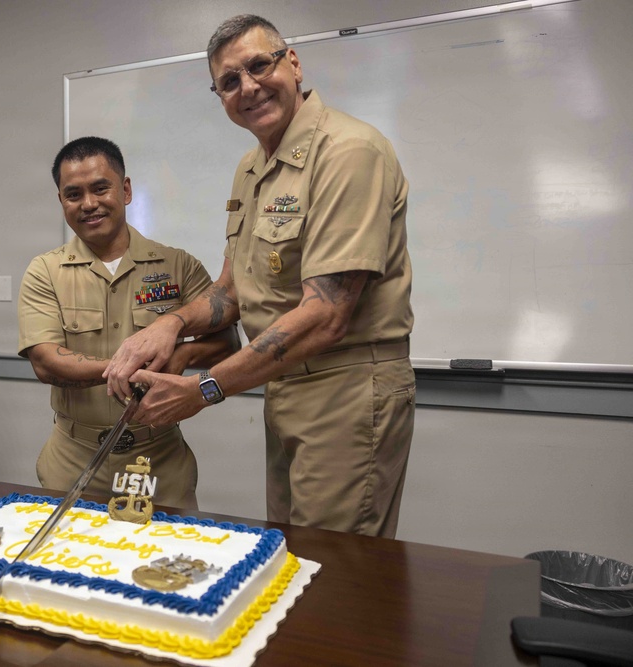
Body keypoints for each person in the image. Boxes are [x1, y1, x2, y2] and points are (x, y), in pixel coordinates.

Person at [105, 15, 415, 538]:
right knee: (289, 554)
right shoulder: (252, 167)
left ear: (292, 64)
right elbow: (232, 291)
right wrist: (168, 325)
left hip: (345, 388)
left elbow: (326, 315)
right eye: (229, 81)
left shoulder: (347, 150)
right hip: (283, 384)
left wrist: (201, 389)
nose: (247, 88)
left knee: (335, 566)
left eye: (258, 66)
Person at [18, 136, 239, 508]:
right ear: (61, 201)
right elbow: (44, 361)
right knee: (69, 546)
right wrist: (128, 369)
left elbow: (227, 343)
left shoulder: (178, 265)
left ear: (125, 190)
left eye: (100, 188)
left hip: (159, 459)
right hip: (73, 458)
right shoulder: (45, 271)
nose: (89, 203)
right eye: (73, 194)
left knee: (168, 546)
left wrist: (183, 356)